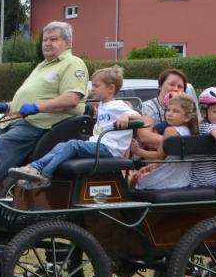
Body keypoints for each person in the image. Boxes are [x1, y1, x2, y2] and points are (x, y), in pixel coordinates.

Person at [0, 21, 88, 194]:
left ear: (68, 42)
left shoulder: (73, 63)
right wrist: (6, 106)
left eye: (53, 39)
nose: (47, 43)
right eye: (45, 39)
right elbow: (28, 98)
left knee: (4, 144)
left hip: (40, 125)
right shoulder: (42, 66)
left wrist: (37, 107)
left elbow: (71, 99)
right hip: (14, 122)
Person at [9, 65, 140, 188]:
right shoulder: (103, 104)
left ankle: (44, 174)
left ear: (110, 88)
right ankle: (34, 167)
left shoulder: (118, 105)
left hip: (110, 148)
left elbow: (139, 117)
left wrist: (126, 116)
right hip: (99, 144)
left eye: (96, 86)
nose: (92, 89)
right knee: (61, 145)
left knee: (72, 145)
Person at [129, 94, 198, 190]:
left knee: (129, 180)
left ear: (187, 117)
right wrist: (149, 167)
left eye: (175, 111)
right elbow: (169, 159)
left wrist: (137, 151)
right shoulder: (190, 131)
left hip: (165, 181)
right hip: (183, 180)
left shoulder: (170, 131)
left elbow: (159, 157)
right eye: (168, 110)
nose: (169, 114)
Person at [137, 68, 189, 150]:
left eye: (180, 86)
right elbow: (145, 137)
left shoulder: (187, 108)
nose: (176, 89)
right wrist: (181, 143)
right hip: (148, 156)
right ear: (160, 86)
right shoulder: (149, 106)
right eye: (171, 84)